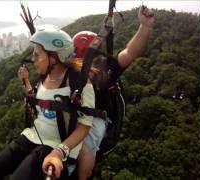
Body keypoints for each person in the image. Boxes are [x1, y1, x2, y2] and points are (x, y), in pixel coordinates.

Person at [0, 26, 95, 180]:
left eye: (37, 55)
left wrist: (60, 151)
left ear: (54, 57)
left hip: (54, 144)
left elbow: (85, 125)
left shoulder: (79, 83)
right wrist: (25, 81)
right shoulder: (45, 78)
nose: (33, 59)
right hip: (33, 136)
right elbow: (38, 101)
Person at [75, 5, 155, 180]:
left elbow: (130, 52)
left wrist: (145, 27)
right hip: (77, 115)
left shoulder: (105, 68)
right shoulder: (71, 70)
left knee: (85, 147)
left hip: (97, 118)